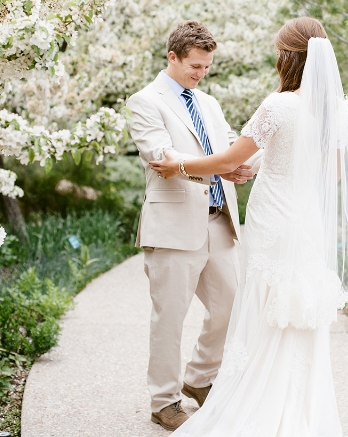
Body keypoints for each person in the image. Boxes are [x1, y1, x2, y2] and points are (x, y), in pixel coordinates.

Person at [151, 17, 348, 437]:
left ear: (289, 57)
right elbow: (332, 174)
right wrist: (268, 162)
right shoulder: (331, 109)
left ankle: (257, 402)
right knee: (294, 307)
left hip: (274, 221)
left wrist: (179, 164)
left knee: (267, 306)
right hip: (306, 223)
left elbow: (229, 161)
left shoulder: (279, 105)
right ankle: (294, 404)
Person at [126, 21, 261, 431]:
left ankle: (200, 378)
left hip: (220, 223)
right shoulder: (145, 101)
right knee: (170, 316)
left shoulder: (210, 103)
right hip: (173, 226)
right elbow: (160, 155)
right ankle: (163, 400)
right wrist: (218, 166)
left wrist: (241, 166)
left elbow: (230, 144)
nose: (201, 74)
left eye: (206, 67)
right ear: (173, 57)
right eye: (195, 66)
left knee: (232, 306)